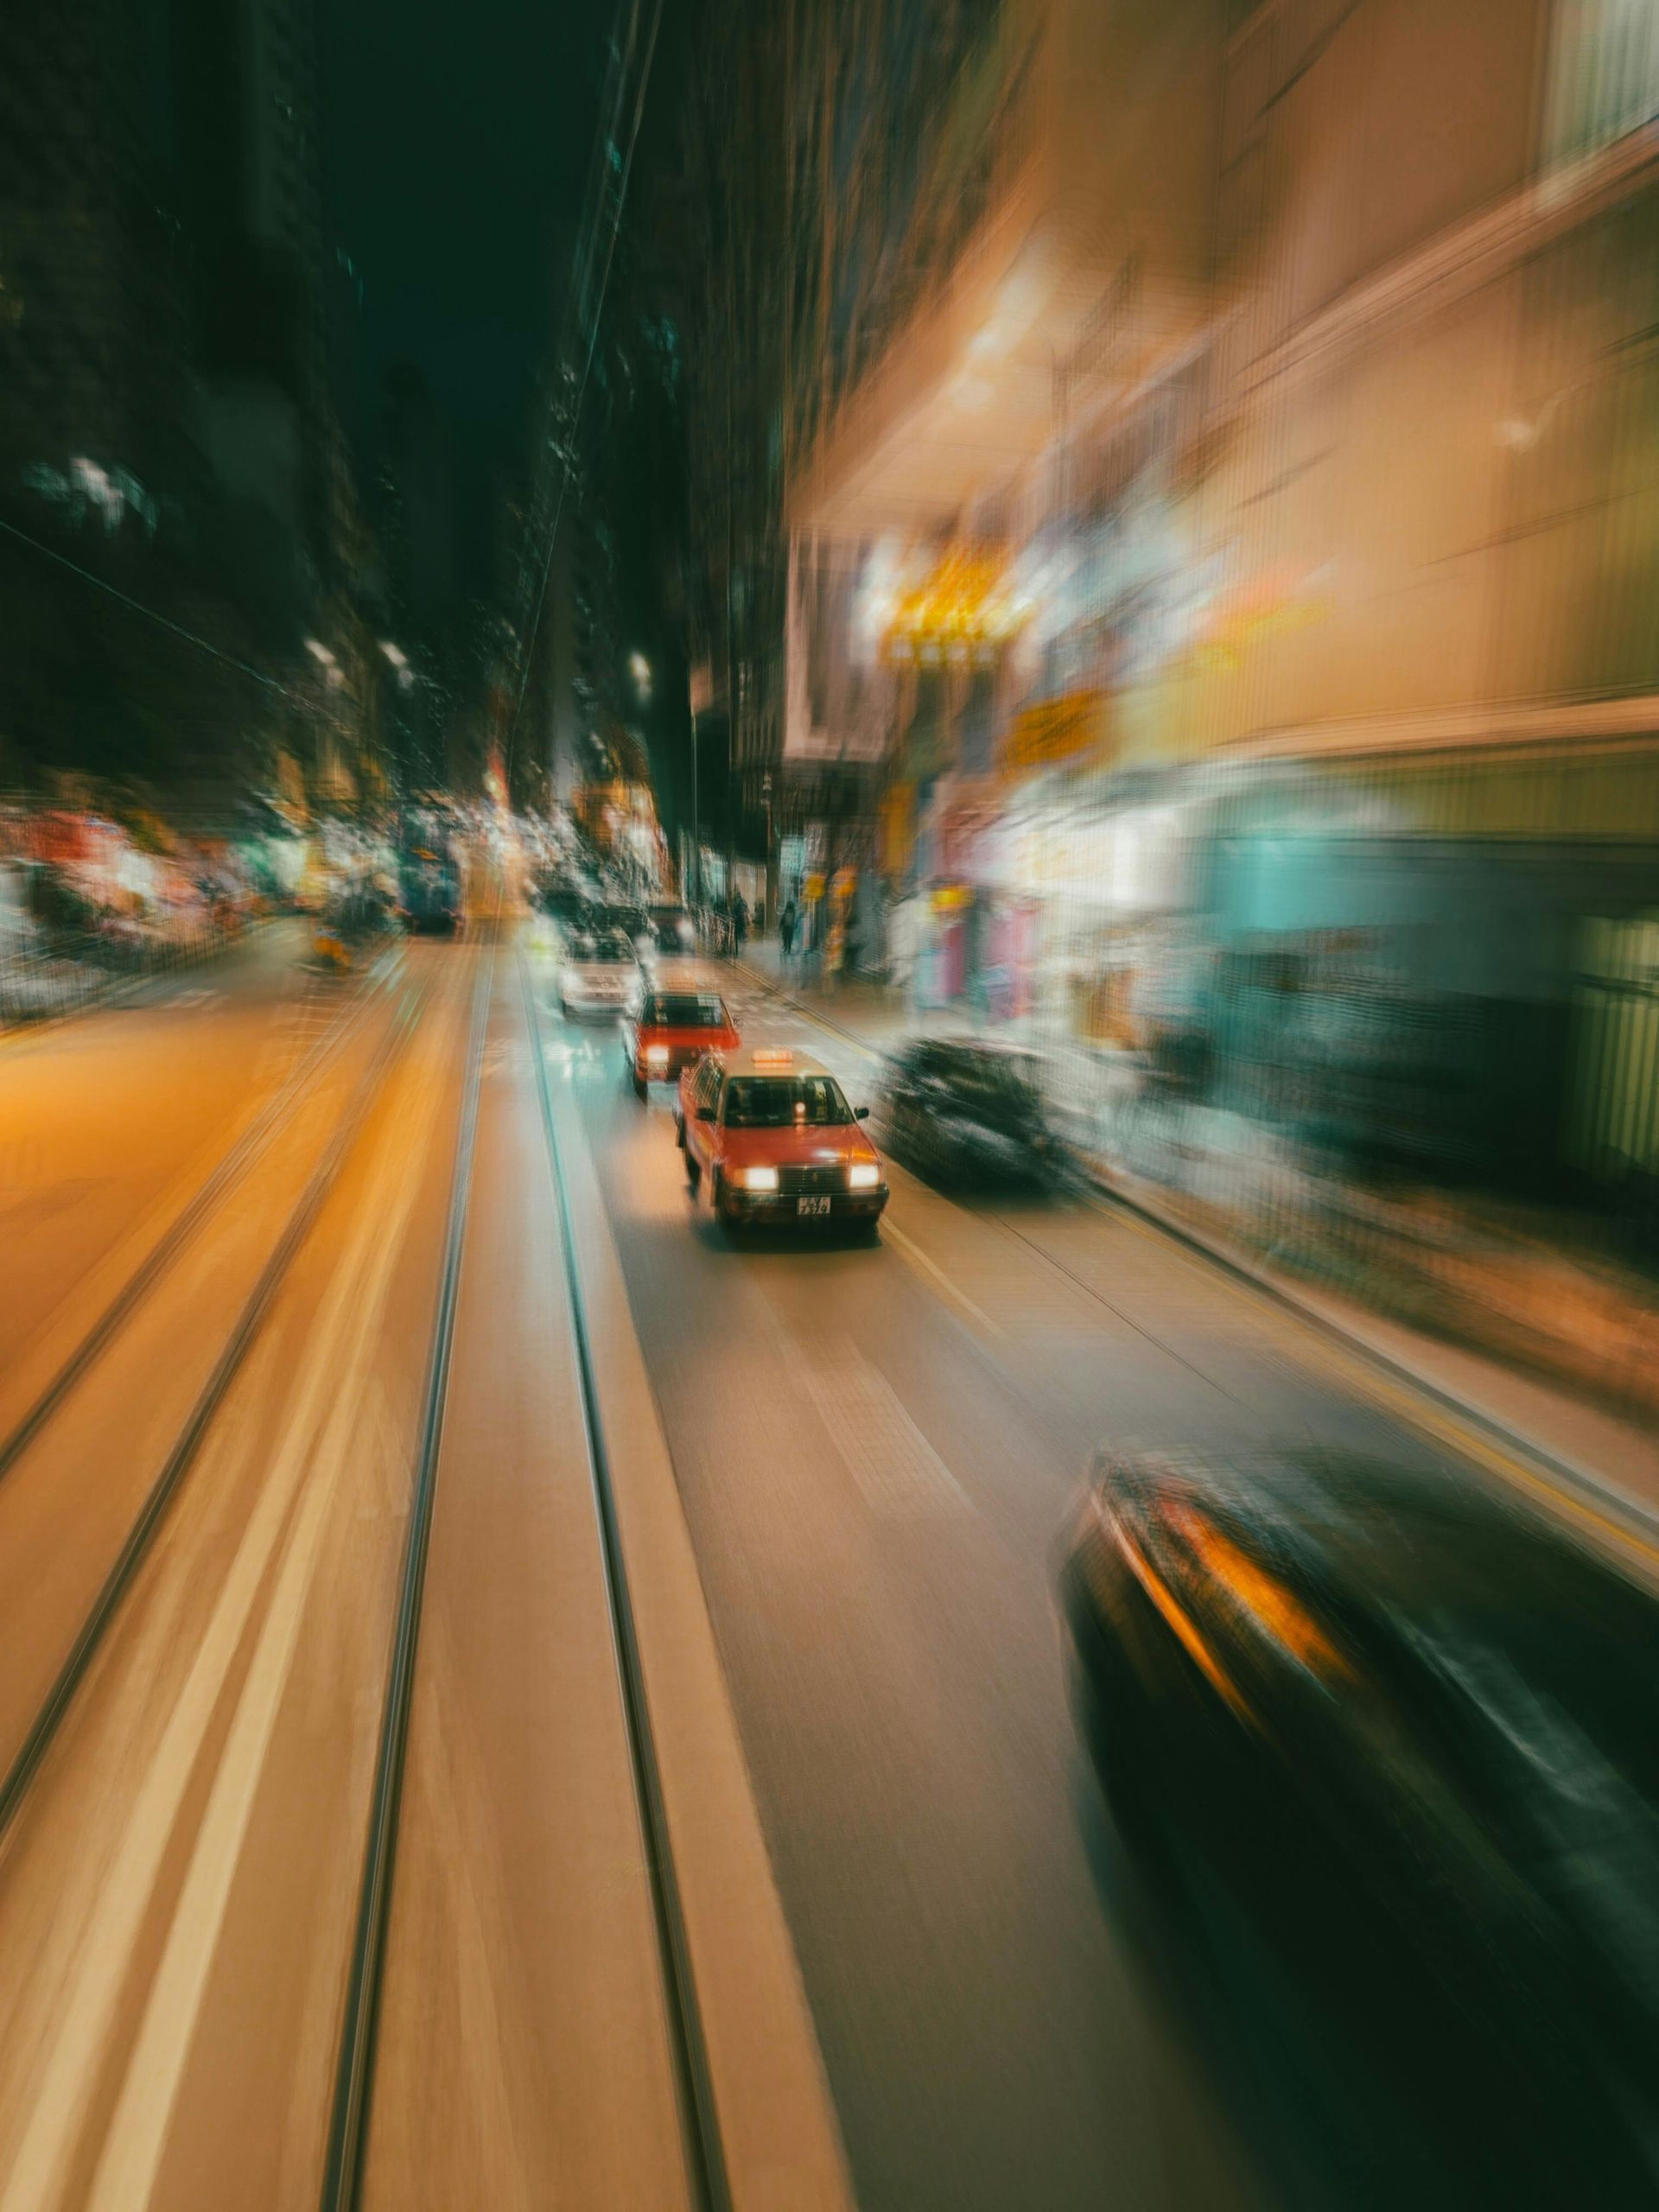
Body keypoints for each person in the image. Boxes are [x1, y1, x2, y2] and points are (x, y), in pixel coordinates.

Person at [780, 894, 798, 961]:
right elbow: (794, 920)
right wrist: (795, 926)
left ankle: (786, 949)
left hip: (786, 927)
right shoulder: (794, 911)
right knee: (789, 939)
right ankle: (789, 949)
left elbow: (783, 919)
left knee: (785, 938)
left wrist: (780, 926)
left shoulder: (786, 911)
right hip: (790, 928)